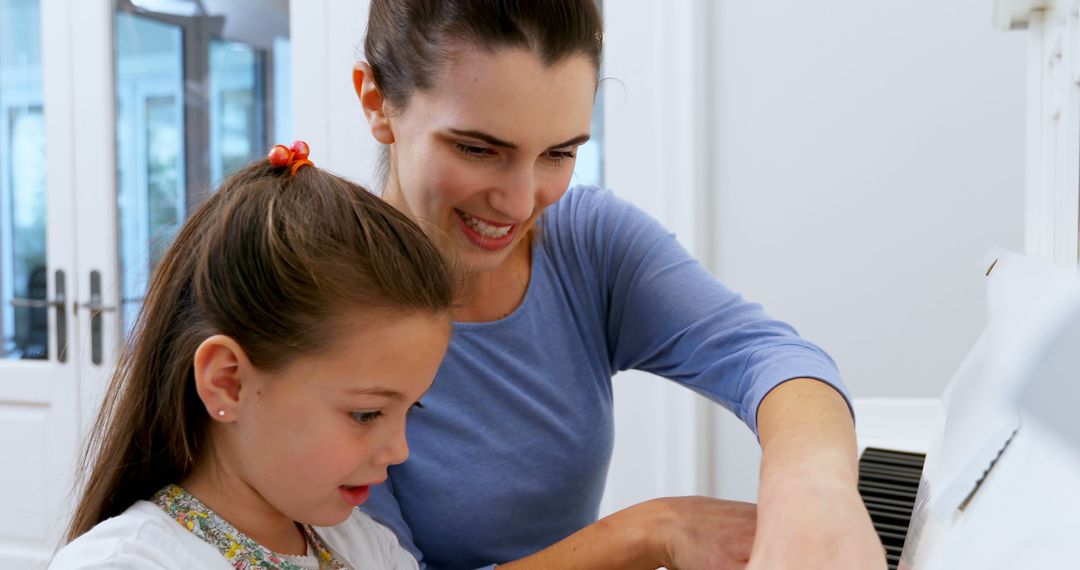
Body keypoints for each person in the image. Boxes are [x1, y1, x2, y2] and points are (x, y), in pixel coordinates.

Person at [351, 1, 886, 569]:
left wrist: (811, 488)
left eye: (559, 153)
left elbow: (768, 355)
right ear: (378, 103)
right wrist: (652, 531)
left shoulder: (587, 241)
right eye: (478, 149)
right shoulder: (323, 312)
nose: (518, 203)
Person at [51, 143, 454, 569]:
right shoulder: (126, 562)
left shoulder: (367, 546)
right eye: (367, 414)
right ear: (227, 382)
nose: (399, 450)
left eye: (411, 409)